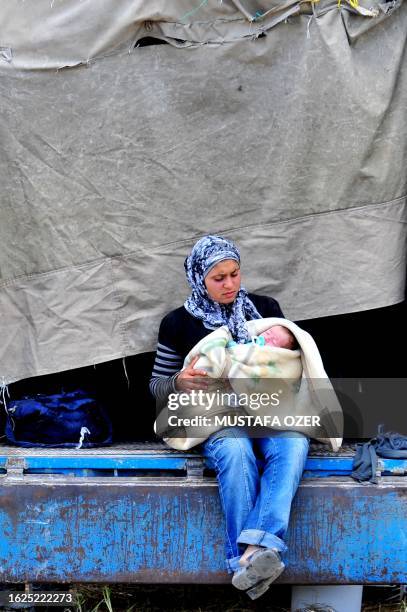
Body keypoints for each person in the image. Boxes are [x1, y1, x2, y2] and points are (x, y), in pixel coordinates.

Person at [149, 235, 309, 599]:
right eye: (218, 278)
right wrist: (179, 382)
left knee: (295, 443)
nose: (229, 284)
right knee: (236, 451)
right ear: (198, 279)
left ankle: (250, 555)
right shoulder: (177, 323)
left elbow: (289, 364)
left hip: (268, 412)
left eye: (234, 274)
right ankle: (252, 559)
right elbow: (155, 385)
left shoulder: (266, 310)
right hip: (217, 419)